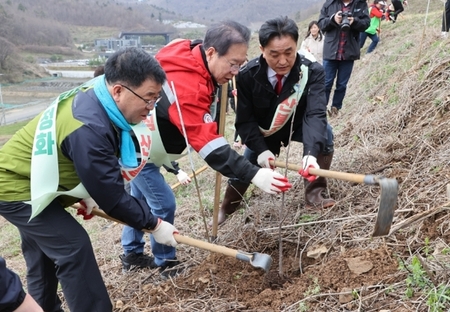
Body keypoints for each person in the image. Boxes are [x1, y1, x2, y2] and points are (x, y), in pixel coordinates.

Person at [0, 47, 179, 312]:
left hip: (34, 177)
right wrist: (154, 224)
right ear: (119, 91)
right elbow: (113, 197)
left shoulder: (98, 95)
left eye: (156, 98)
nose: (151, 108)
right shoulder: (89, 126)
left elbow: (90, 169)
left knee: (42, 254)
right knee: (73, 247)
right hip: (15, 185)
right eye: (149, 98)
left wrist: (84, 192)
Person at [120, 21, 292, 271]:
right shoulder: (187, 87)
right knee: (163, 203)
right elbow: (209, 146)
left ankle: (132, 254)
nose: (236, 71)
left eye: (240, 64)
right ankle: (165, 261)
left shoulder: (189, 52)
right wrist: (254, 174)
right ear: (211, 52)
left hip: (150, 145)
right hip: (137, 149)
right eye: (232, 64)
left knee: (139, 200)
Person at [216, 16, 336, 225]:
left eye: (289, 52)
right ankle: (227, 208)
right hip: (265, 130)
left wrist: (310, 153)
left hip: (297, 124)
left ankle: (315, 194)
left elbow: (315, 114)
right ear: (262, 49)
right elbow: (245, 121)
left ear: (297, 45)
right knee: (247, 164)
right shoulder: (247, 75)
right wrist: (261, 149)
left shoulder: (312, 71)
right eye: (274, 54)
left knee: (325, 135)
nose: (282, 61)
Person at [318, 0, 370, 117]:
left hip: (348, 52)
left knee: (342, 84)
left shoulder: (360, 4)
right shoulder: (329, 4)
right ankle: (321, 109)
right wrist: (333, 20)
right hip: (331, 52)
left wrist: (354, 21)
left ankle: (336, 108)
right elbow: (321, 24)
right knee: (326, 83)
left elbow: (366, 23)